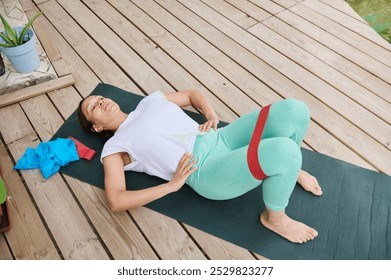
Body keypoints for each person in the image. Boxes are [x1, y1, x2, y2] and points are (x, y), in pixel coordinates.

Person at [78, 89, 322, 244]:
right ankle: (275, 218)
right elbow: (116, 200)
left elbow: (192, 95)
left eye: (100, 99)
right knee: (283, 151)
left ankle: (289, 169)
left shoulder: (148, 102)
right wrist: (172, 186)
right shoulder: (115, 147)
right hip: (205, 169)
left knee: (295, 110)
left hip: (220, 137)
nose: (101, 102)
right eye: (94, 108)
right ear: (97, 127)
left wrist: (211, 115)